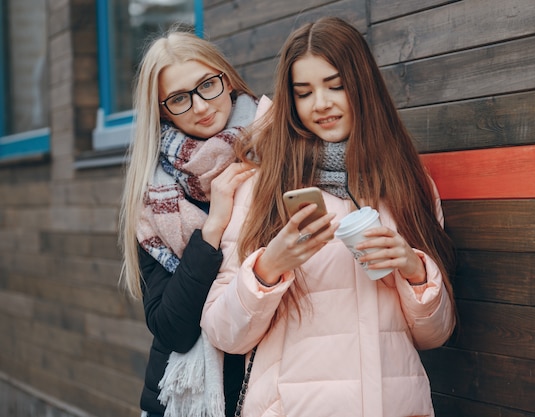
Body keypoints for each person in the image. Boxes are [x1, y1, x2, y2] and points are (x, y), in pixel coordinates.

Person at [200, 16, 457, 417]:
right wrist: (268, 268)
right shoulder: (261, 189)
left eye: (335, 86)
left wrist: (413, 270)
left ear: (363, 87)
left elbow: (435, 334)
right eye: (304, 93)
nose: (320, 104)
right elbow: (222, 333)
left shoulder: (409, 184)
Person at [119, 27, 258, 417]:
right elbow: (172, 329)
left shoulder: (278, 147)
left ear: (225, 80)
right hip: (185, 403)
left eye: (207, 85)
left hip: (270, 389)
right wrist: (211, 229)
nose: (200, 106)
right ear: (162, 109)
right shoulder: (151, 196)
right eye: (180, 98)